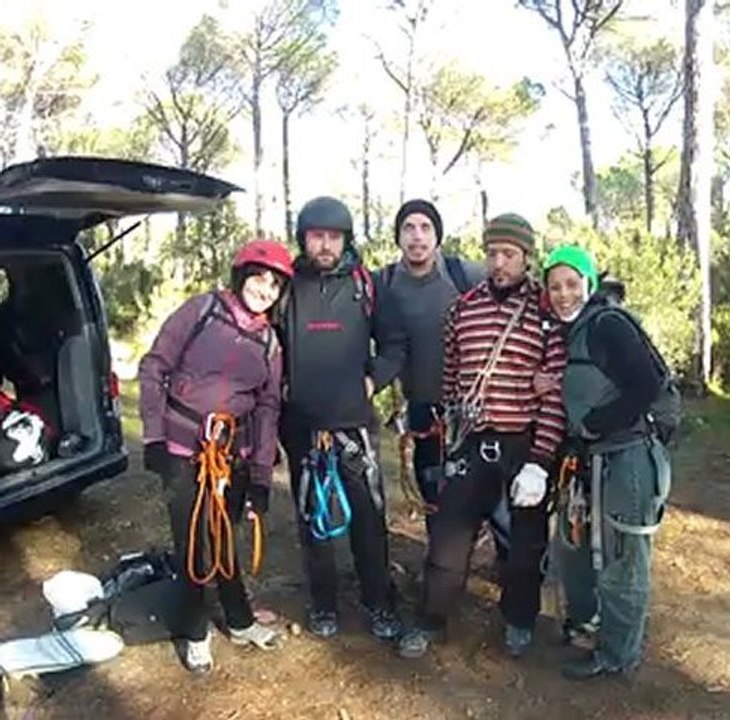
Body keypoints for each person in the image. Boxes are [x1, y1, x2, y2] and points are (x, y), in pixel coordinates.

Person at [398, 213, 567, 659]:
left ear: (526, 257)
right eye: (492, 253)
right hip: (471, 443)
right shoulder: (463, 309)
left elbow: (554, 395)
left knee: (526, 545)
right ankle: (431, 620)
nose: (499, 263)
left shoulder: (546, 312)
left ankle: (520, 620)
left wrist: (540, 462)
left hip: (523, 444)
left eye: (509, 254)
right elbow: (452, 380)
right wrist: (452, 433)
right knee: (448, 540)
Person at [138, 238, 294, 674]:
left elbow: (267, 409)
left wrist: (260, 475)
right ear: (241, 276)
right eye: (258, 279)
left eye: (274, 285)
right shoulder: (202, 310)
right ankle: (195, 631)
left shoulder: (270, 342)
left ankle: (239, 620)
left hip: (231, 455)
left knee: (224, 539)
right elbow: (154, 366)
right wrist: (154, 437)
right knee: (192, 545)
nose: (264, 290)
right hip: (182, 448)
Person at [277, 196, 406, 641]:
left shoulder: (366, 286)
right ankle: (323, 604)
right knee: (312, 519)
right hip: (302, 426)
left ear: (346, 240)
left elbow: (395, 344)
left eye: (334, 237)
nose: (326, 245)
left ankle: (379, 602)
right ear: (304, 239)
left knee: (368, 518)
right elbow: (268, 344)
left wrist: (372, 381)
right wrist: (281, 386)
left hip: (354, 424)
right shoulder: (286, 287)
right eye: (317, 237)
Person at [541, 245, 671, 680]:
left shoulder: (608, 324)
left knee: (623, 559)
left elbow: (648, 383)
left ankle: (618, 654)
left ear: (589, 283)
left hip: (626, 458)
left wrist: (597, 424)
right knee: (575, 547)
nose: (564, 295)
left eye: (572, 284)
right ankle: (588, 624)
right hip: (588, 460)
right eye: (555, 287)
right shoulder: (569, 331)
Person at [374, 199, 485, 535]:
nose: (417, 236)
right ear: (398, 237)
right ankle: (441, 555)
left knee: (484, 495)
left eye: (425, 228)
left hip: (472, 409)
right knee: (433, 492)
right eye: (408, 228)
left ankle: (506, 558)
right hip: (423, 410)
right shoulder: (382, 283)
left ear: (437, 236)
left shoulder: (465, 274)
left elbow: (516, 290)